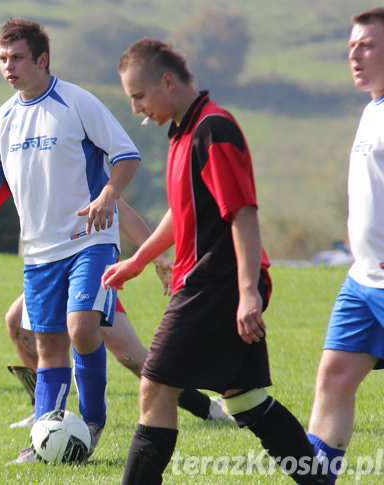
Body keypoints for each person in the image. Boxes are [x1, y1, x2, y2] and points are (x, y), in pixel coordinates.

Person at [101, 38, 332, 484]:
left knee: (154, 386)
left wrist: (248, 293)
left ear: (167, 81)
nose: (136, 109)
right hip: (213, 281)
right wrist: (137, 261)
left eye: (139, 96)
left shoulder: (213, 129)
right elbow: (181, 209)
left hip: (217, 282)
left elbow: (242, 213)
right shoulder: (183, 131)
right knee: (244, 400)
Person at [0, 18, 140, 463]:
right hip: (39, 253)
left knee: (82, 327)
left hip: (90, 240)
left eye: (17, 58)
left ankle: (91, 424)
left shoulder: (76, 102)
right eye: (2, 59)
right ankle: (41, 440)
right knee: (48, 346)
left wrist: (108, 194)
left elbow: (126, 155)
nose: (8, 67)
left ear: (42, 60)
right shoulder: (4, 118)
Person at [0, 187, 233, 428]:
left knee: (131, 357)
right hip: (49, 273)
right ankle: (47, 412)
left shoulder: (72, 156)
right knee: (16, 321)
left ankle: (207, 408)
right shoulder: (14, 155)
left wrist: (158, 257)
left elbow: (121, 208)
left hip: (87, 268)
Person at [306, 8, 384, 483]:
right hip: (362, 279)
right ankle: (315, 479)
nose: (354, 55)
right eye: (352, 46)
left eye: (367, 46)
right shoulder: (372, 106)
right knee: (333, 378)